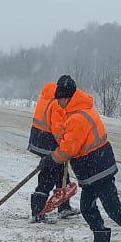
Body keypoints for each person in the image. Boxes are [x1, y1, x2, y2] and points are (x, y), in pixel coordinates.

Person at [46, 75, 121, 242]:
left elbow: (69, 148)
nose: (58, 103)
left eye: (60, 99)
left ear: (67, 97)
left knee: (112, 207)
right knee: (87, 206)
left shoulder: (78, 116)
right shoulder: (77, 111)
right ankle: (101, 240)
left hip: (98, 168)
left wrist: (52, 159)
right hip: (91, 169)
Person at [26, 80, 76, 222]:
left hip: (38, 140)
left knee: (61, 175)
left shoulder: (46, 97)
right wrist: (64, 145)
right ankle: (37, 212)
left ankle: (64, 206)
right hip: (49, 143)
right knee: (47, 177)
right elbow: (57, 128)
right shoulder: (56, 103)